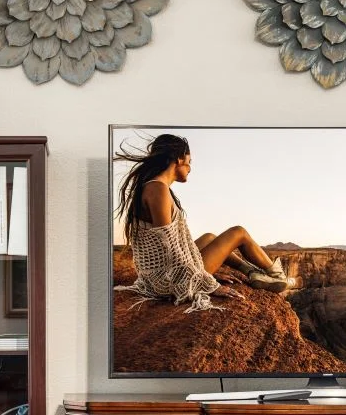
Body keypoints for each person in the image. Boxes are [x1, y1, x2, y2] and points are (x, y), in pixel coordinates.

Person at [113, 133, 298, 311]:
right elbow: (168, 247)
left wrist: (207, 271)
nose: (190, 167)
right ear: (179, 159)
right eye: (189, 161)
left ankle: (252, 271)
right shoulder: (158, 189)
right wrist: (205, 281)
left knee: (210, 237)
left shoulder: (152, 186)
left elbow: (171, 245)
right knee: (239, 232)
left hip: (162, 274)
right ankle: (276, 276)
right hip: (168, 280)